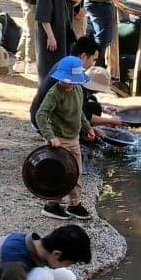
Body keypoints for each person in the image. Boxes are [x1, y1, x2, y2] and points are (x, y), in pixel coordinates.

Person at [33, 53, 95, 219]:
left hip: (74, 138)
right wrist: (50, 136)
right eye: (67, 80)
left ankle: (74, 204)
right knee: (59, 174)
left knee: (76, 172)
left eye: (73, 80)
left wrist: (87, 127)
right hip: (59, 140)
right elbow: (41, 115)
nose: (70, 83)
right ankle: (51, 204)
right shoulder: (54, 93)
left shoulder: (78, 90)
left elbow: (79, 112)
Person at [33, 0, 84, 82]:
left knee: (63, 68)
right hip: (50, 32)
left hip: (63, 31)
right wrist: (50, 36)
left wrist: (77, 1)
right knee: (49, 68)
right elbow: (43, 12)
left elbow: (67, 5)